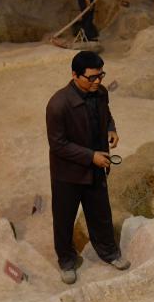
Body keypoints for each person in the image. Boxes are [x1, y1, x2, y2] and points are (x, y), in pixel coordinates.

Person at [45, 51, 130, 284]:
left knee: (100, 213)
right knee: (64, 219)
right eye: (91, 77)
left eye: (101, 75)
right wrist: (91, 156)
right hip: (67, 173)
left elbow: (106, 115)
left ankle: (109, 252)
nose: (97, 81)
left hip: (96, 166)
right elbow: (58, 145)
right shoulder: (58, 104)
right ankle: (67, 261)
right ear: (75, 75)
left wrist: (111, 129)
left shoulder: (101, 93)